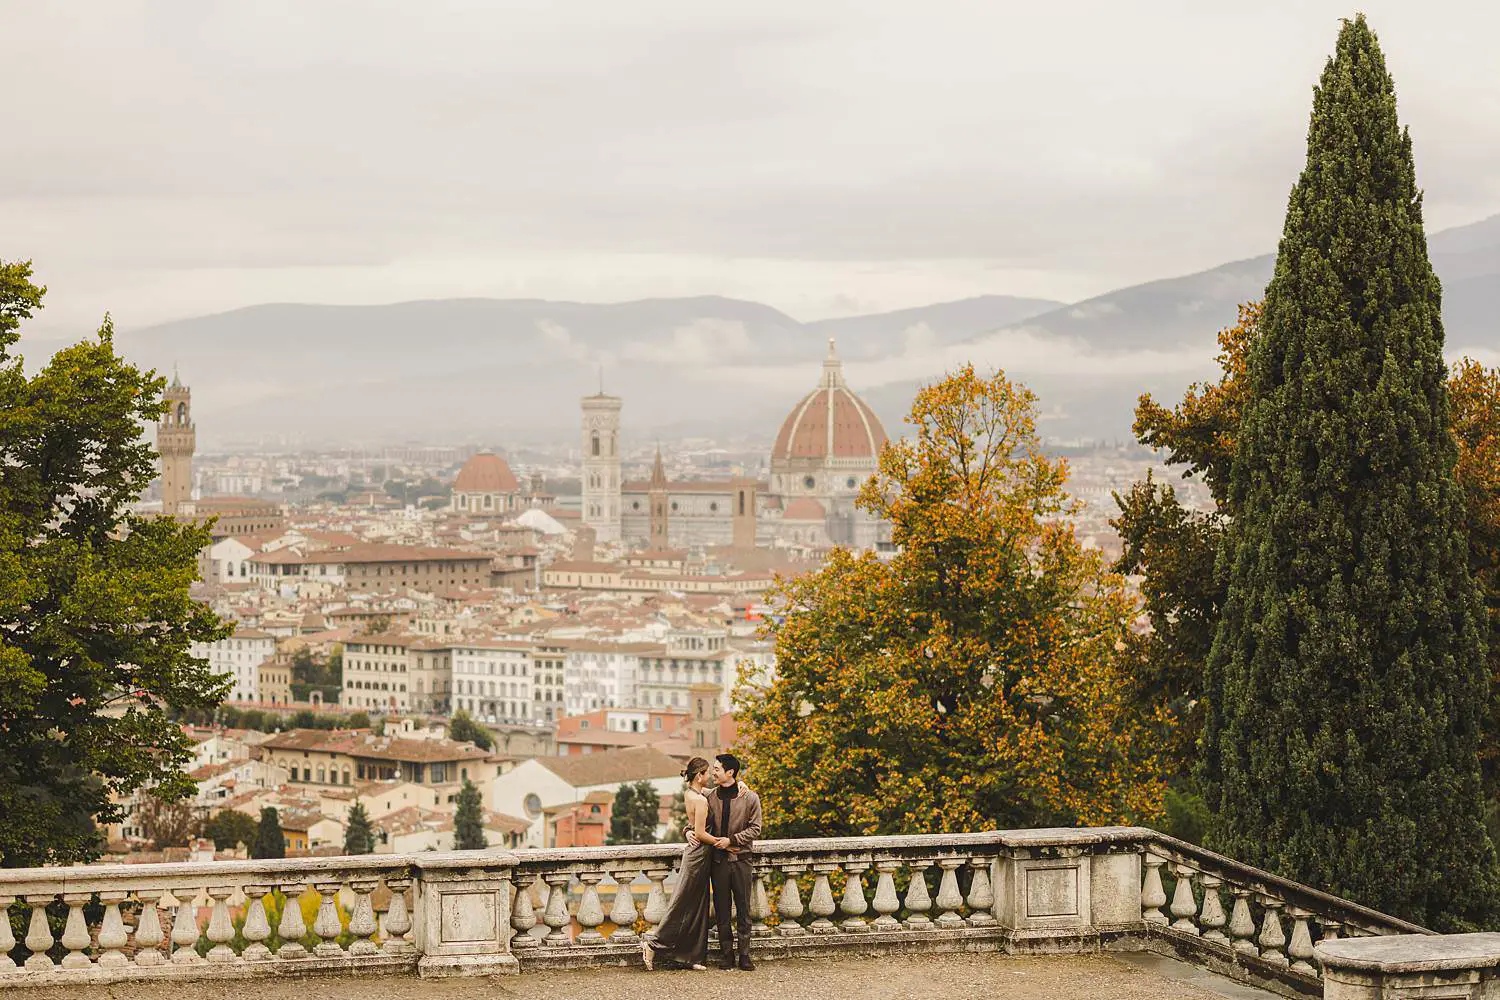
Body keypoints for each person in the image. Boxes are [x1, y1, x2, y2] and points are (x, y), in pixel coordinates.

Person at [641, 757, 714, 971]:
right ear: (699, 775)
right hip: (698, 854)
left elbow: (694, 825)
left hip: (700, 854)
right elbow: (700, 833)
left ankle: (690, 956)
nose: (709, 776)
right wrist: (721, 842)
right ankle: (652, 944)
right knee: (682, 904)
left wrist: (687, 830)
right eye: (707, 773)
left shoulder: (692, 793)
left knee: (698, 906)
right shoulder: (700, 800)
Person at [701, 752, 762, 971]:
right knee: (722, 909)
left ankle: (745, 955)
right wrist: (688, 831)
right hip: (718, 863)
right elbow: (698, 821)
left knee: (744, 909)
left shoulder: (750, 797)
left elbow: (756, 829)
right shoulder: (710, 797)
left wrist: (732, 840)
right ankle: (727, 955)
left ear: (730, 772)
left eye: (717, 769)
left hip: (742, 861)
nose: (713, 772)